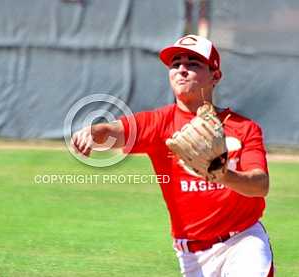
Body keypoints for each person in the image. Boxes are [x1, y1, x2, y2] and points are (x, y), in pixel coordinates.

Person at [71, 34, 274, 277]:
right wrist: (94, 132)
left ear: (215, 76)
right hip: (191, 255)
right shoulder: (159, 123)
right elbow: (114, 132)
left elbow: (260, 185)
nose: (182, 70)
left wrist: (222, 175)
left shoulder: (243, 127)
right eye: (175, 64)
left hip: (243, 241)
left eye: (193, 64)